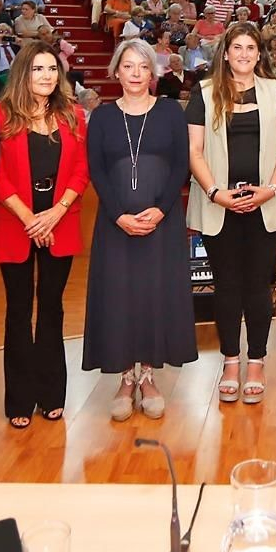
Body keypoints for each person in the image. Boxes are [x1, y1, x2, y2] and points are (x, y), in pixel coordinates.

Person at [83, 39, 196, 420]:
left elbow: (182, 164)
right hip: (116, 223)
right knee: (119, 296)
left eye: (142, 67)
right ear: (116, 71)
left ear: (153, 73)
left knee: (154, 294)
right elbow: (96, 170)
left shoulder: (168, 113)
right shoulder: (101, 116)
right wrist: (118, 215)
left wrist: (161, 210)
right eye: (128, 66)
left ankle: (148, 376)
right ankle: (124, 378)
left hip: (160, 222)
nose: (134, 73)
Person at [186, 22, 276, 404]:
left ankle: (257, 361)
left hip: (265, 205)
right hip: (220, 205)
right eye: (237, 48)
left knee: (257, 287)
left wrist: (268, 190)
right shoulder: (203, 93)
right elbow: (195, 151)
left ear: (259, 53)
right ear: (226, 53)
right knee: (227, 286)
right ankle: (231, 360)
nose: (244, 54)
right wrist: (217, 193)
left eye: (251, 48)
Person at [0, 41, 89, 429]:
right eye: (38, 69)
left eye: (52, 69)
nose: (47, 76)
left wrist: (56, 213)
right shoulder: (0, 116)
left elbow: (82, 171)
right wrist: (31, 218)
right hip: (15, 221)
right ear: (23, 74)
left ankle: (51, 394)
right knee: (18, 310)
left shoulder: (74, 115)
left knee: (52, 308)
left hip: (59, 222)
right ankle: (19, 398)